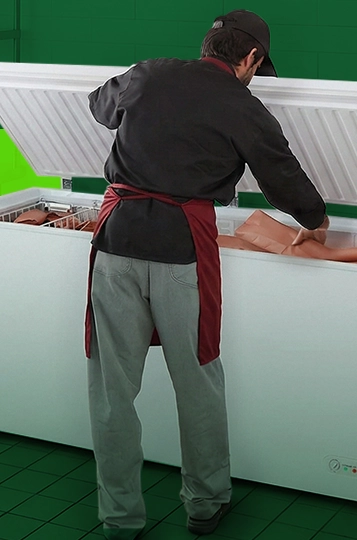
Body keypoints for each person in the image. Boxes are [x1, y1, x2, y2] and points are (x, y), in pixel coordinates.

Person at [83, 9, 330, 540]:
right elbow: (282, 176)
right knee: (197, 380)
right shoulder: (242, 105)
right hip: (181, 248)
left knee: (110, 390)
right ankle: (205, 504)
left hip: (116, 241)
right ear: (251, 57)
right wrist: (316, 218)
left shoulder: (149, 73)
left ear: (206, 47)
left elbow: (99, 104)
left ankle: (119, 520)